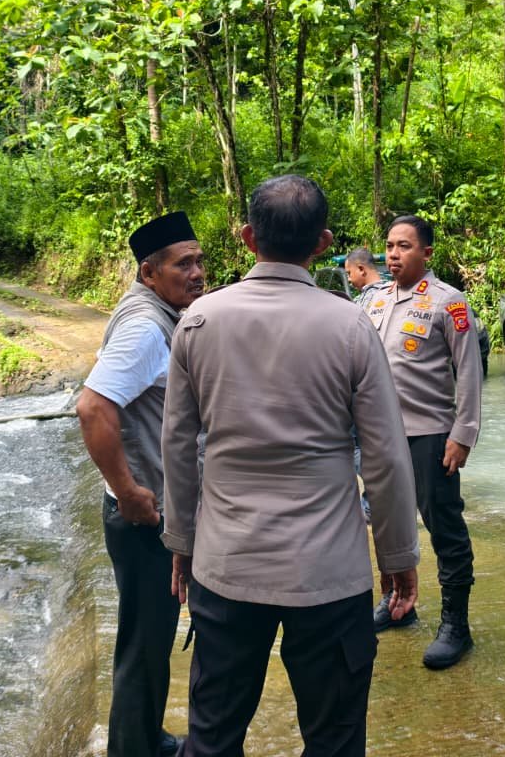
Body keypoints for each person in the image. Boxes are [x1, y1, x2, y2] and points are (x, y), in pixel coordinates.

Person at [161, 175, 419, 757]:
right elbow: (385, 457)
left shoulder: (198, 324)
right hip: (328, 571)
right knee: (333, 741)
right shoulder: (351, 326)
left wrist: (181, 543)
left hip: (227, 566)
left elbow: (177, 446)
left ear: (248, 237)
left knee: (213, 737)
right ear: (323, 243)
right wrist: (398, 557)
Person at [76, 211, 206, 757]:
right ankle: (134, 748)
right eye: (184, 264)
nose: (198, 272)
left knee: (149, 640)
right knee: (144, 644)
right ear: (150, 273)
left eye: (200, 259)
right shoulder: (145, 327)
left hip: (148, 511)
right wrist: (128, 491)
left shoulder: (156, 310)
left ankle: (146, 737)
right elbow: (92, 407)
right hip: (143, 517)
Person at [365, 214, 482, 669]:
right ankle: (397, 603)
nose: (393, 254)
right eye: (390, 246)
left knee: (445, 528)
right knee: (385, 523)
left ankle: (456, 624)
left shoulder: (448, 303)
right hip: (378, 437)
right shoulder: (370, 300)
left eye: (404, 246)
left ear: (426, 253)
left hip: (430, 435)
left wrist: (463, 434)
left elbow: (469, 372)